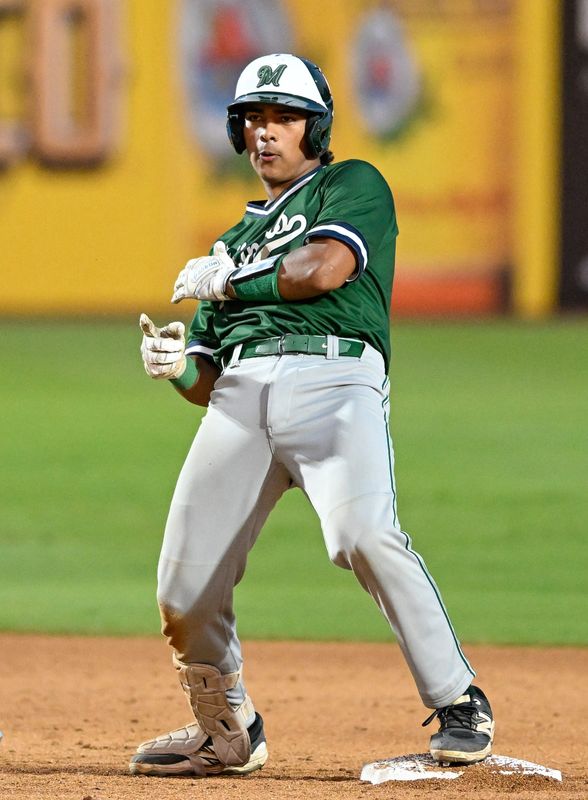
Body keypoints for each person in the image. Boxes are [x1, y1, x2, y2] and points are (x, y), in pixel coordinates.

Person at [130, 53, 494, 778]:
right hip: (240, 399)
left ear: (316, 126)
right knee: (184, 584)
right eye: (253, 119)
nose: (266, 133)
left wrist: (231, 281)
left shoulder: (349, 184)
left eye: (284, 117)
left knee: (361, 533)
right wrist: (177, 367)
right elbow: (208, 379)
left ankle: (459, 701)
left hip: (335, 378)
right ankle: (227, 730)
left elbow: (319, 271)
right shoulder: (229, 244)